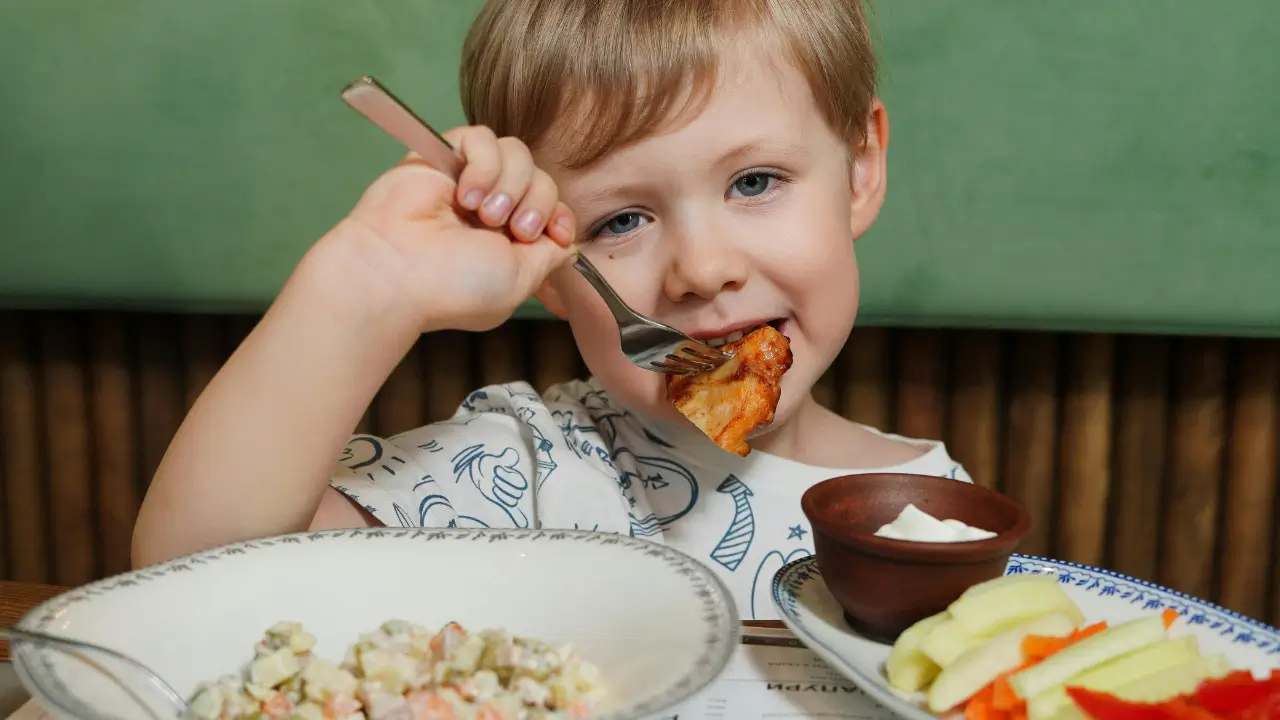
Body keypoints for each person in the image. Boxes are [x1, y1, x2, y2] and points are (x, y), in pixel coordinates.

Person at [133, 0, 972, 620]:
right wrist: (369, 282)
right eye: (621, 221)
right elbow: (194, 582)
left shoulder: (939, 513)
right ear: (546, 267)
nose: (704, 270)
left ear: (860, 170)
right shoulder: (531, 470)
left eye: (755, 182)